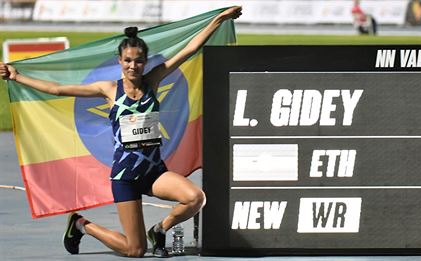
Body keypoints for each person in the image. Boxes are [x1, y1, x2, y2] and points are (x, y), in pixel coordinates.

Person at [0, 6, 242, 258]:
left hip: (154, 172)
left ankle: (159, 230)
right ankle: (82, 225)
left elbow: (190, 49)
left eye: (138, 60)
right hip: (126, 178)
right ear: (119, 61)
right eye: (127, 60)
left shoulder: (154, 81)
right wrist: (17, 77)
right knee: (134, 251)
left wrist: (219, 19)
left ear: (145, 62)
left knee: (196, 198)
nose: (133, 65)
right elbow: (57, 90)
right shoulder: (108, 90)